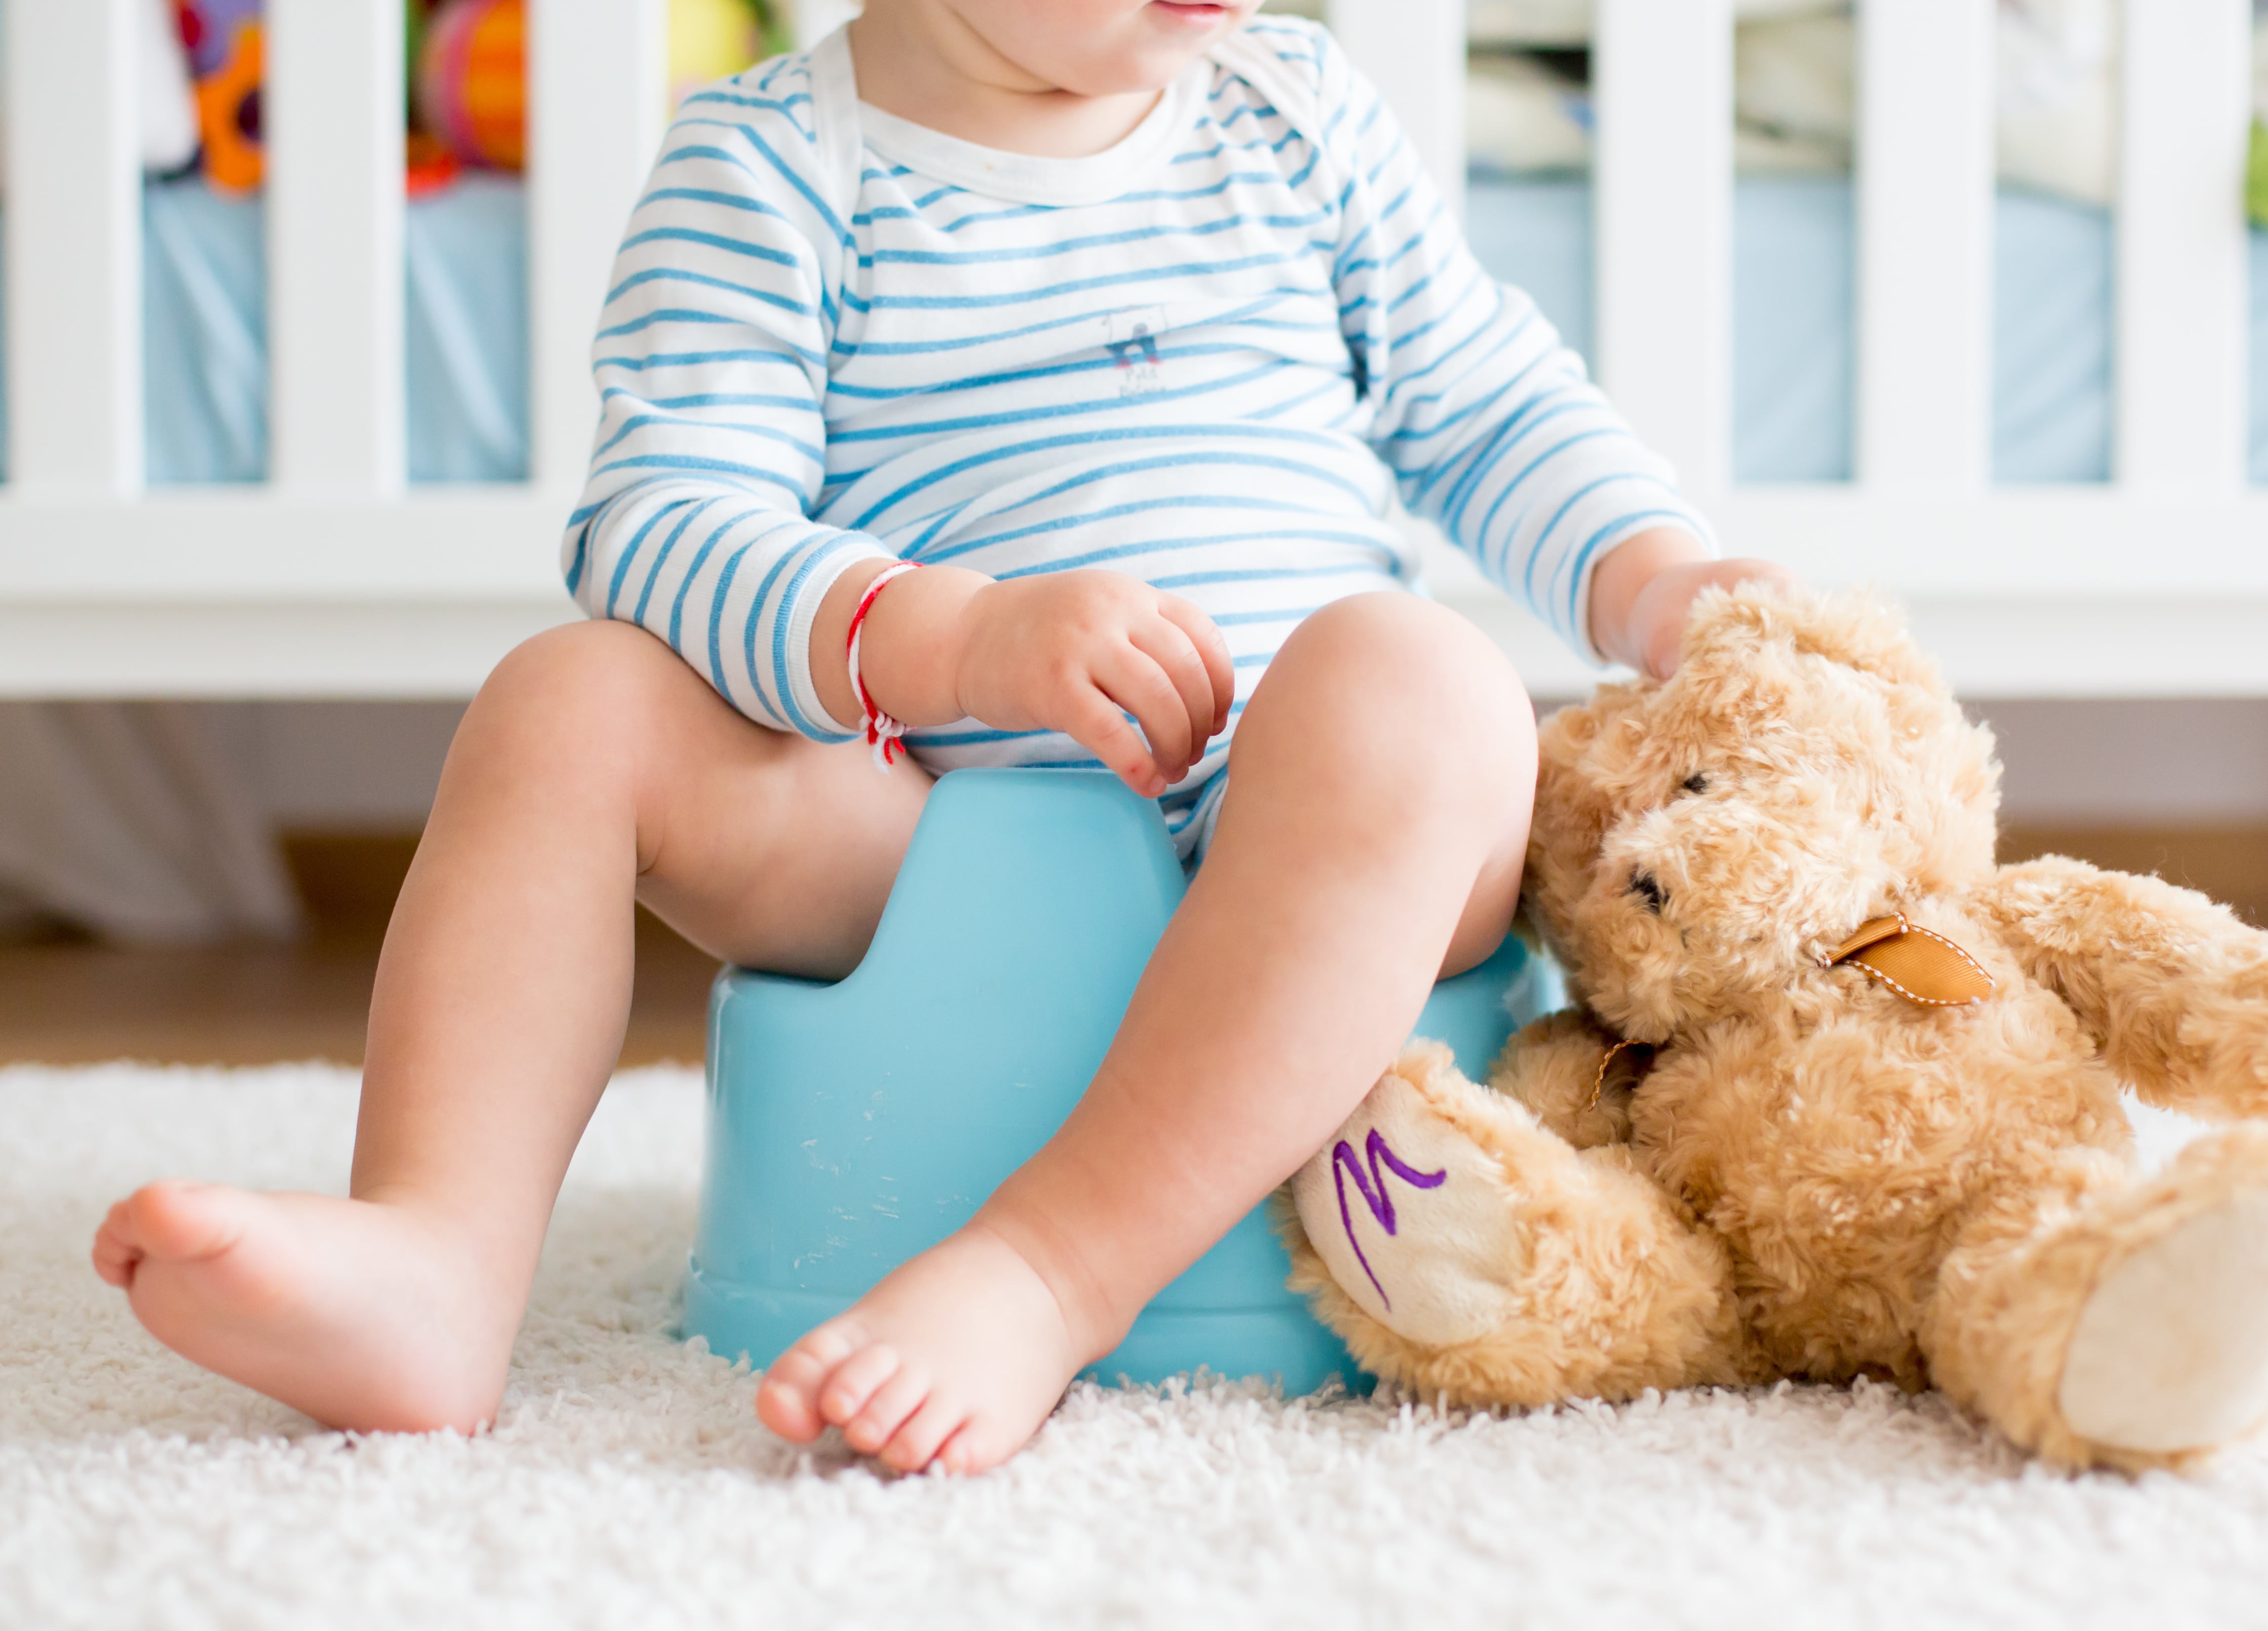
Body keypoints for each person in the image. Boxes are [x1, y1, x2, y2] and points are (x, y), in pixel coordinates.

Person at [94, 0, 1782, 1476]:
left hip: (1326, 817)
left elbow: (1488, 405)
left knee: (1423, 677)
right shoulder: (769, 169)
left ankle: (1046, 1269)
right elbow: (663, 524)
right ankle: (434, 1256)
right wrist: (952, 635)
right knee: (569, 692)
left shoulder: (1297, 115)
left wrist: (1660, 587)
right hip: (931, 826)